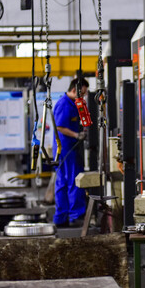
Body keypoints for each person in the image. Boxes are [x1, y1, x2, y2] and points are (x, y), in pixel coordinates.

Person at [53, 78, 89, 228]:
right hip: (66, 149)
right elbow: (59, 126)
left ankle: (61, 217)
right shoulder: (64, 104)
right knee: (74, 180)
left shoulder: (73, 103)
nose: (83, 97)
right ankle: (75, 215)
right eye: (82, 93)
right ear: (74, 90)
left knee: (64, 182)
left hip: (67, 148)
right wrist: (76, 135)